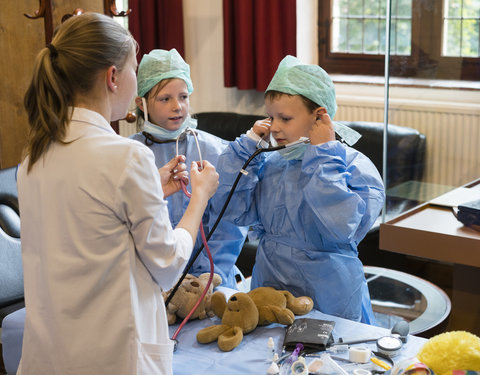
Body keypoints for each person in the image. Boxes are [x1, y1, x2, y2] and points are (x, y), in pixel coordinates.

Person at [17, 12, 218, 375]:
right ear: (113, 77)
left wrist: (150, 189)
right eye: (134, 68)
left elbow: (91, 220)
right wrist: (199, 200)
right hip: (111, 358)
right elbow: (169, 265)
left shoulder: (36, 153)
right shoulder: (126, 156)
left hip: (49, 354)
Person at [213, 55, 385, 324]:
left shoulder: (354, 168)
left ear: (319, 117)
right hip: (270, 282)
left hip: (329, 293)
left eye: (285, 118)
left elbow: (342, 227)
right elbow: (235, 212)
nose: (275, 127)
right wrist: (244, 152)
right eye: (271, 117)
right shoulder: (272, 163)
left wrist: (324, 159)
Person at [130, 49, 248, 289]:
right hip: (151, 279)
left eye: (183, 97)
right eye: (165, 99)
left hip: (211, 279)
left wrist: (205, 275)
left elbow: (230, 223)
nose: (178, 107)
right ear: (141, 103)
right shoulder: (130, 155)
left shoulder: (213, 151)